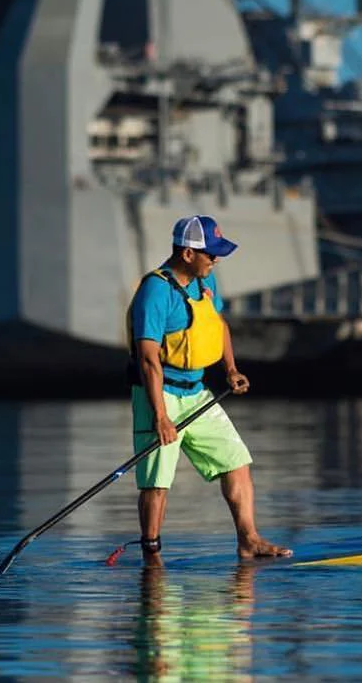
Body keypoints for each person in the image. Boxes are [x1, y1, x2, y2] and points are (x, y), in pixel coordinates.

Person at [126, 214, 292, 566]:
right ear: (187, 254)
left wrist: (230, 369)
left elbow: (218, 326)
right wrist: (160, 416)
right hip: (161, 394)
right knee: (157, 482)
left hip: (198, 392)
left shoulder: (205, 282)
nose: (216, 259)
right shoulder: (155, 291)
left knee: (237, 462)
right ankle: (151, 556)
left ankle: (249, 541)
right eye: (210, 253)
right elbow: (148, 361)